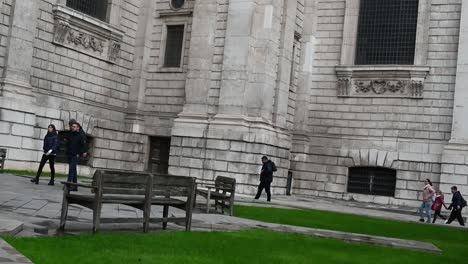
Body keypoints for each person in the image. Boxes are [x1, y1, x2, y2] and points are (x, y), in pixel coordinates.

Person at [67, 122, 87, 191]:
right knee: (73, 170)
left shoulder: (81, 135)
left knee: (71, 170)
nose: (73, 127)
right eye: (72, 126)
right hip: (70, 154)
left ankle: (68, 185)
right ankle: (75, 187)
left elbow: (83, 146)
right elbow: (68, 144)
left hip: (75, 155)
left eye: (74, 126)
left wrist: (81, 153)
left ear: (78, 128)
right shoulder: (70, 134)